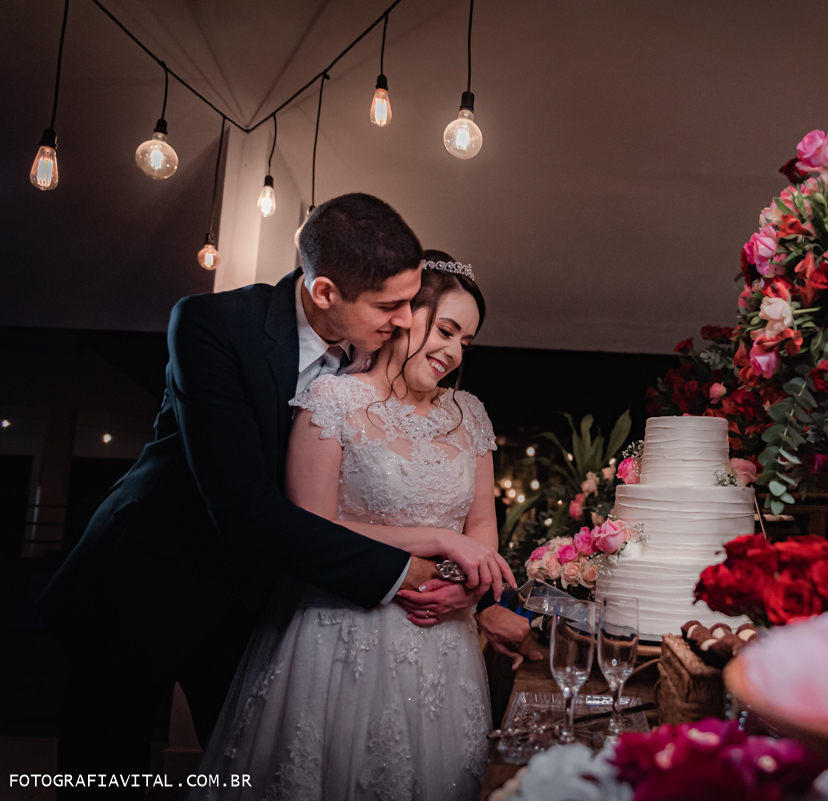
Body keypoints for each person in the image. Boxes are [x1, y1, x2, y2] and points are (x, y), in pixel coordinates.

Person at [35, 195, 508, 798]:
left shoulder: (376, 355)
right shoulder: (214, 327)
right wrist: (424, 563)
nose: (404, 320)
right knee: (103, 776)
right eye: (392, 306)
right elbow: (247, 512)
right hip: (149, 582)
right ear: (326, 293)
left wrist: (469, 585)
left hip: (260, 603)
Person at [191, 252, 509, 800]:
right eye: (448, 330)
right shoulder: (331, 399)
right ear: (405, 314)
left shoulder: (469, 414)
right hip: (336, 631)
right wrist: (437, 539)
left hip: (444, 645)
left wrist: (465, 588)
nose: (454, 352)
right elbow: (309, 525)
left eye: (466, 341)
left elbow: (481, 526)